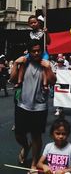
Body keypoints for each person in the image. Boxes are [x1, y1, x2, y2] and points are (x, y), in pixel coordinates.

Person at [10, 39, 56, 170]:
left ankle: (34, 163)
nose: (36, 53)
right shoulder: (24, 62)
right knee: (19, 134)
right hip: (22, 105)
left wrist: (48, 68)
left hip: (40, 107)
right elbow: (13, 79)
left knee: (36, 136)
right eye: (33, 51)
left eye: (38, 51)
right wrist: (15, 64)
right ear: (29, 52)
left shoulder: (46, 63)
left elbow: (53, 81)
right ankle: (25, 146)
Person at [14, 15, 51, 90]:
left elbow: (48, 42)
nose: (33, 24)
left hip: (42, 52)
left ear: (38, 23)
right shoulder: (29, 34)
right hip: (31, 54)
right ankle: (19, 81)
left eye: (35, 22)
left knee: (45, 64)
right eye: (31, 23)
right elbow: (28, 44)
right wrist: (26, 51)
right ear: (29, 24)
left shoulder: (43, 32)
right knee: (22, 61)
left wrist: (47, 33)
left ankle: (45, 84)